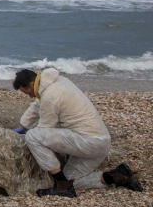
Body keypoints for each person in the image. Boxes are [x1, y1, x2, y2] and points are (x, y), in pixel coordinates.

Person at [13, 67, 143, 197]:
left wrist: (26, 132)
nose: (30, 96)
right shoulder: (58, 81)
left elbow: (45, 128)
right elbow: (38, 104)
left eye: (27, 92)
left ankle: (61, 187)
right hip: (101, 144)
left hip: (87, 142)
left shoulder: (49, 96)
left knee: (33, 137)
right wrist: (23, 125)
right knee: (72, 180)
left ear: (31, 84)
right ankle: (117, 176)